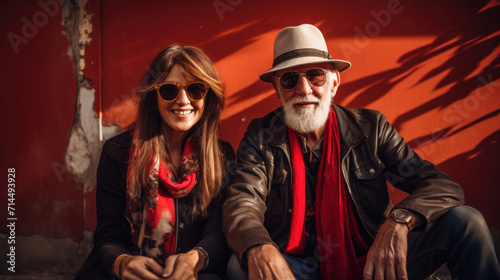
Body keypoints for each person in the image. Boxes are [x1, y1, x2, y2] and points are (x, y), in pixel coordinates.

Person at [222, 24, 500, 280]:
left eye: (316, 76)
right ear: (277, 90)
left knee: (466, 222)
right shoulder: (261, 135)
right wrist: (259, 246)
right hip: (298, 269)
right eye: (290, 79)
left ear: (333, 83)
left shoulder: (371, 128)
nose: (303, 89)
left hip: (373, 261)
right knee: (241, 264)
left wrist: (399, 222)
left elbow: (440, 185)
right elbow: (242, 203)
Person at [75, 45, 235, 280]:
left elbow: (217, 234)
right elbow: (107, 238)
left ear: (208, 96)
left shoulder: (221, 156)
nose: (183, 101)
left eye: (195, 90)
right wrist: (123, 263)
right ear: (154, 96)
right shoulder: (118, 153)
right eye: (169, 90)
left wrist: (194, 259)